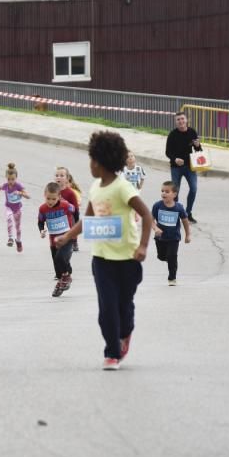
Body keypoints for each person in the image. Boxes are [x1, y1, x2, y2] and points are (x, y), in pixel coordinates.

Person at [56, 131, 153, 371]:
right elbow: (87, 220)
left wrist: (142, 246)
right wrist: (67, 236)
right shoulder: (94, 188)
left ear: (101, 162)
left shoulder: (123, 188)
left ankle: (125, 334)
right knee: (106, 308)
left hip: (128, 259)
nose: (89, 164)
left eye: (92, 159)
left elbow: (147, 214)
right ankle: (112, 352)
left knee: (123, 306)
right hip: (101, 259)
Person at [38, 182, 77, 297]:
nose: (50, 201)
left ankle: (66, 278)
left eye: (53, 199)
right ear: (44, 195)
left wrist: (74, 228)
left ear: (59, 197)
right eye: (48, 198)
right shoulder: (43, 208)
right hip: (53, 241)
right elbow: (40, 221)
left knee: (60, 258)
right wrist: (41, 230)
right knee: (58, 266)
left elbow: (75, 211)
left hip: (67, 238)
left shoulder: (65, 205)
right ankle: (63, 279)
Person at [151, 181, 191, 285]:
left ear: (174, 194)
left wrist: (188, 235)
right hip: (160, 238)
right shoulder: (157, 206)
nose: (163, 193)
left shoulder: (178, 208)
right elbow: (151, 220)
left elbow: (185, 221)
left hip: (174, 238)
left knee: (172, 256)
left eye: (167, 191)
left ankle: (172, 278)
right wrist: (155, 229)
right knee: (162, 257)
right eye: (162, 191)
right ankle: (169, 259)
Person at [166, 111, 202, 223]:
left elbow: (198, 151)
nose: (181, 121)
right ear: (175, 122)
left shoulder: (192, 132)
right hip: (176, 167)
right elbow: (168, 152)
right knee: (175, 191)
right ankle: (176, 213)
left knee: (194, 188)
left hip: (190, 166)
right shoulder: (172, 134)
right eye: (178, 119)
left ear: (186, 120)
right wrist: (175, 159)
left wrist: (198, 145)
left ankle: (188, 213)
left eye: (182, 119)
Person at [0, 162, 31, 252]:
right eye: (9, 179)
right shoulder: (5, 185)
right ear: (6, 178)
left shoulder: (18, 186)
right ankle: (10, 238)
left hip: (17, 208)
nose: (11, 181)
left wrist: (20, 193)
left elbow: (28, 196)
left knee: (18, 227)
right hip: (9, 207)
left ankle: (18, 241)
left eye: (13, 179)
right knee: (9, 219)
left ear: (16, 178)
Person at [55, 166, 82, 252]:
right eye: (57, 175)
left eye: (62, 175)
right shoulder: (54, 191)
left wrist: (76, 218)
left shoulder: (70, 192)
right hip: (59, 215)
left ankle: (74, 243)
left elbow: (76, 208)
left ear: (67, 179)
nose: (59, 177)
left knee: (72, 229)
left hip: (70, 216)